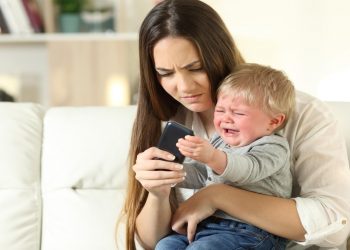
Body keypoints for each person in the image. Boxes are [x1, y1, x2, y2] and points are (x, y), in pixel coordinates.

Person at [119, 0, 350, 250]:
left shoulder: (301, 113)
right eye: (165, 73)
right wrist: (158, 192)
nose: (184, 87)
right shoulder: (171, 120)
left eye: (196, 68)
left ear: (220, 54)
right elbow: (153, 243)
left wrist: (218, 196)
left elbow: (335, 225)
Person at [155, 63, 295, 249]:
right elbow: (204, 175)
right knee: (166, 245)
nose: (226, 118)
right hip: (209, 224)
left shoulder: (274, 146)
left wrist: (212, 156)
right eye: (220, 110)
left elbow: (248, 169)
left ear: (273, 121)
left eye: (238, 113)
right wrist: (173, 171)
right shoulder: (219, 141)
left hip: (254, 231)